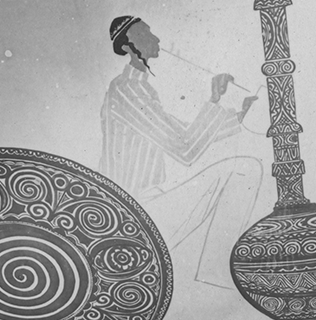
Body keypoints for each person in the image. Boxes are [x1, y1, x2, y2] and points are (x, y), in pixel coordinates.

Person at [100, 15, 263, 289]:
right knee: (246, 169)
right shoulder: (128, 89)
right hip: (132, 217)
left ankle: (218, 278)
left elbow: (185, 132)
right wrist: (215, 100)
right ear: (127, 46)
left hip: (144, 210)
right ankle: (219, 279)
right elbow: (185, 147)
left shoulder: (139, 88)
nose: (156, 39)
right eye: (145, 34)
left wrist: (237, 113)